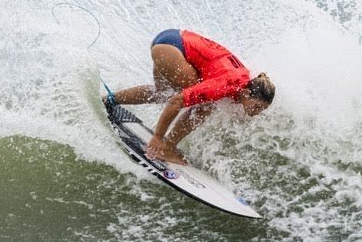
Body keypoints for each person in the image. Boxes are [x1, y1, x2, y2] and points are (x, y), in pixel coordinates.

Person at [105, 29, 275, 164]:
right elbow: (176, 102)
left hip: (170, 39)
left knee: (161, 93)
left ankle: (110, 100)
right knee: (203, 106)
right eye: (257, 107)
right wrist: (157, 137)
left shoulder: (245, 82)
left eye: (261, 109)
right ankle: (166, 148)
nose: (257, 112)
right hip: (171, 49)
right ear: (247, 93)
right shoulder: (227, 85)